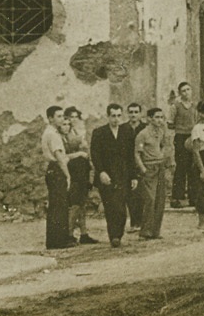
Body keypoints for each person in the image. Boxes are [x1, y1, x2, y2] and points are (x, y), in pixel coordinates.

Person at [90, 103, 138, 248]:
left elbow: (131, 156)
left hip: (123, 175)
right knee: (111, 207)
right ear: (108, 116)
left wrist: (134, 176)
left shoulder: (127, 131)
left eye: (118, 116)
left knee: (121, 208)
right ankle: (114, 236)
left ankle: (119, 234)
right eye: (113, 116)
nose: (116, 119)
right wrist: (101, 172)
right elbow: (95, 155)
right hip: (107, 176)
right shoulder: (99, 133)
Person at [135, 107, 175, 240]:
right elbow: (137, 154)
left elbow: (164, 145)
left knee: (160, 200)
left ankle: (155, 232)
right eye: (157, 117)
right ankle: (145, 232)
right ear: (150, 119)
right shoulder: (142, 134)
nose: (160, 120)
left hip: (160, 166)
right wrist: (143, 169)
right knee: (150, 200)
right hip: (149, 168)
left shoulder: (161, 132)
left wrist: (162, 156)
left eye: (161, 117)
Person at [63, 107, 98, 244]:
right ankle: (69, 233)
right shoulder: (63, 136)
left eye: (75, 117)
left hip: (81, 170)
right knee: (75, 204)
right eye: (70, 117)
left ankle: (84, 233)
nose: (72, 120)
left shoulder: (76, 131)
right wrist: (79, 153)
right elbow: (63, 156)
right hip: (72, 171)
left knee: (82, 204)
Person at [41, 105, 73, 250]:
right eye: (58, 116)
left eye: (62, 116)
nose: (61, 119)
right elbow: (59, 157)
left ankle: (55, 240)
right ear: (50, 118)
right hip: (56, 169)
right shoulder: (53, 134)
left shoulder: (49, 132)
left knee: (56, 205)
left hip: (52, 170)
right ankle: (58, 240)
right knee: (59, 206)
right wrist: (67, 175)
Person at [168, 82, 199, 209]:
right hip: (180, 138)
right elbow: (169, 123)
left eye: (188, 89)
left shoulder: (195, 106)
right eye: (183, 91)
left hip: (193, 137)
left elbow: (197, 121)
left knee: (193, 166)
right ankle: (177, 198)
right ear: (180, 93)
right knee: (181, 167)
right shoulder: (175, 106)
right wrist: (180, 128)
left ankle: (193, 198)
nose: (186, 92)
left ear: (191, 91)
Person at [125, 102, 147, 231]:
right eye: (131, 112)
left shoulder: (145, 128)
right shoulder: (123, 128)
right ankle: (134, 223)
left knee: (142, 194)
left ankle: (143, 222)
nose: (133, 115)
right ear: (128, 113)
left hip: (142, 162)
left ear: (140, 114)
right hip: (128, 164)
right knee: (131, 194)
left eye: (135, 112)